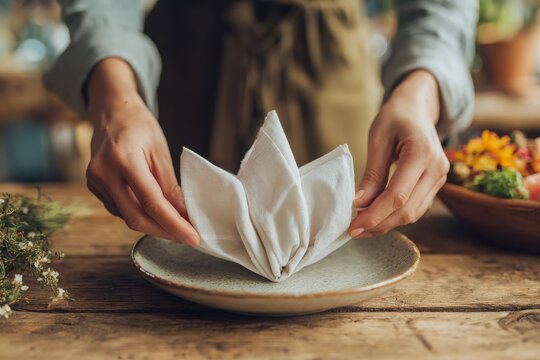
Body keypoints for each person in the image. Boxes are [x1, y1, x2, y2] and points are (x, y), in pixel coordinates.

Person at [45, 0, 477, 246]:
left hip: (330, 73)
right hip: (184, 73)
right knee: (172, 254)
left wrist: (421, 89)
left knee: (343, 251)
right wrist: (113, 95)